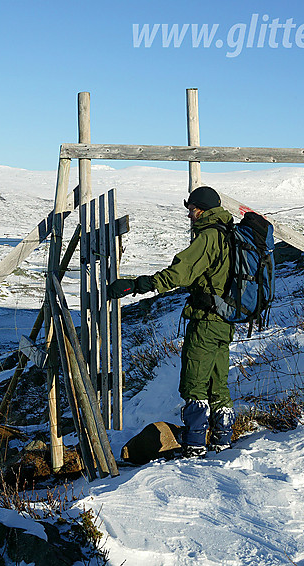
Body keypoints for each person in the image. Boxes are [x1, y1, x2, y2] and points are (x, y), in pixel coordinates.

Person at [110, 186, 235, 458]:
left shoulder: (209, 237)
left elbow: (180, 273)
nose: (189, 215)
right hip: (225, 320)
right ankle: (223, 439)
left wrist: (139, 285)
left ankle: (194, 445)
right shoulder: (228, 233)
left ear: (201, 209)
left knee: (194, 382)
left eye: (191, 210)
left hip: (205, 320)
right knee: (218, 381)